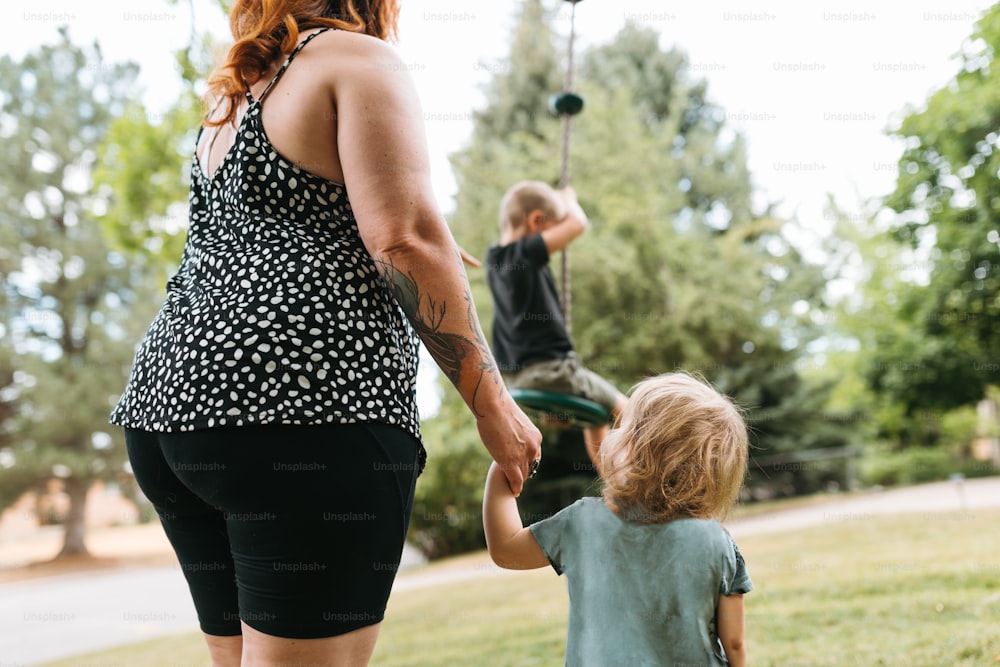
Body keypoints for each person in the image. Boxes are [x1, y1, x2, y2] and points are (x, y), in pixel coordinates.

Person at [109, 2, 541, 666]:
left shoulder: (237, 93)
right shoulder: (357, 59)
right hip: (304, 409)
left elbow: (294, 215)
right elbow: (402, 237)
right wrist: (494, 405)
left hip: (170, 413)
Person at [483, 372, 752, 667]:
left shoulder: (583, 522)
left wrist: (504, 464)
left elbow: (506, 548)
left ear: (636, 448)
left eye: (624, 426)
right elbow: (735, 643)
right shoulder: (716, 540)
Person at [484, 180, 628, 464]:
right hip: (552, 371)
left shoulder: (494, 260)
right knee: (629, 409)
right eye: (553, 228)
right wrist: (569, 198)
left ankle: (616, 486)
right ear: (536, 221)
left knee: (596, 418)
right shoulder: (524, 253)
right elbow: (577, 224)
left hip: (516, 378)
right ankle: (645, 480)